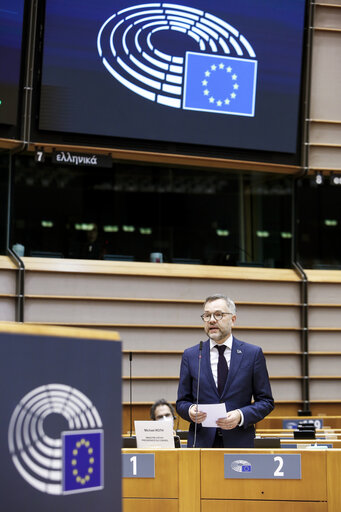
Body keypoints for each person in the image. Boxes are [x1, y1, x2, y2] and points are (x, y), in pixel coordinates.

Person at [176, 294, 274, 448]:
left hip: (239, 442)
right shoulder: (191, 355)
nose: (212, 320)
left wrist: (240, 415)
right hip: (201, 443)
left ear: (233, 319)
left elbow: (266, 402)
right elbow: (181, 402)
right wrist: (190, 411)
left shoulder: (252, 354)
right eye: (207, 316)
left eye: (218, 315)